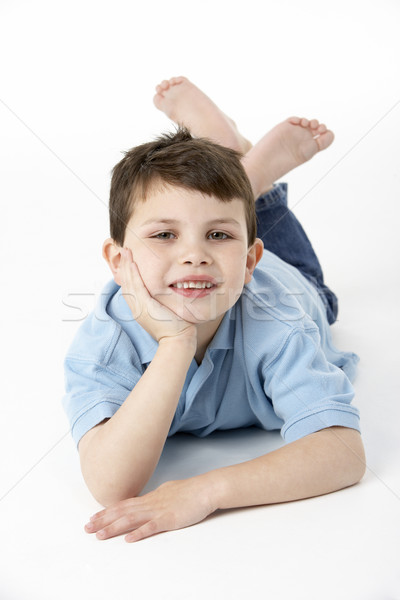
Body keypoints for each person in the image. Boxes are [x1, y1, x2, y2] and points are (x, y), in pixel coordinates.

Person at [63, 76, 366, 543]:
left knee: (320, 294)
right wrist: (176, 341)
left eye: (218, 237)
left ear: (249, 263)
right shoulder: (105, 343)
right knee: (219, 209)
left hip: (294, 280)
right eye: (164, 235)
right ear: (119, 262)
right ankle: (238, 171)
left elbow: (343, 451)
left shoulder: (280, 324)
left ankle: (245, 180)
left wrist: (206, 491)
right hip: (237, 263)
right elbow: (111, 484)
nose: (194, 255)